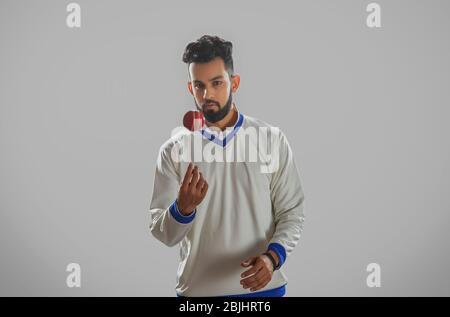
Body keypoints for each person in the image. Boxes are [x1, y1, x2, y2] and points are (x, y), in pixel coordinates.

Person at [149, 35, 305, 297]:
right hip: (198, 294)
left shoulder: (271, 139)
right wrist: (182, 209)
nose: (207, 94)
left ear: (234, 83)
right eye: (199, 85)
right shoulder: (173, 150)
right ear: (190, 88)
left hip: (265, 292)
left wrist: (272, 258)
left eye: (217, 83)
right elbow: (162, 232)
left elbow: (292, 213)